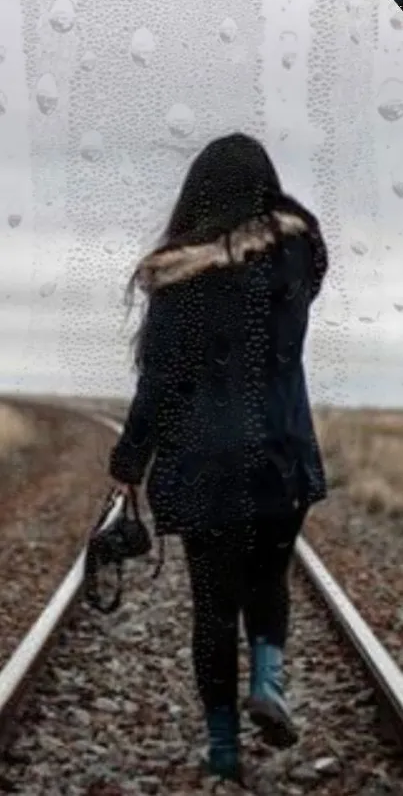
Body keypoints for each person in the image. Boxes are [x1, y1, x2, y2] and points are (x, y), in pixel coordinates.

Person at [109, 132, 328, 783]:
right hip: (280, 454)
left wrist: (130, 459)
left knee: (212, 608)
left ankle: (224, 748)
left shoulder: (176, 279)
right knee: (269, 580)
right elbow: (309, 248)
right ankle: (268, 680)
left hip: (204, 465)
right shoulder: (293, 259)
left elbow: (161, 383)